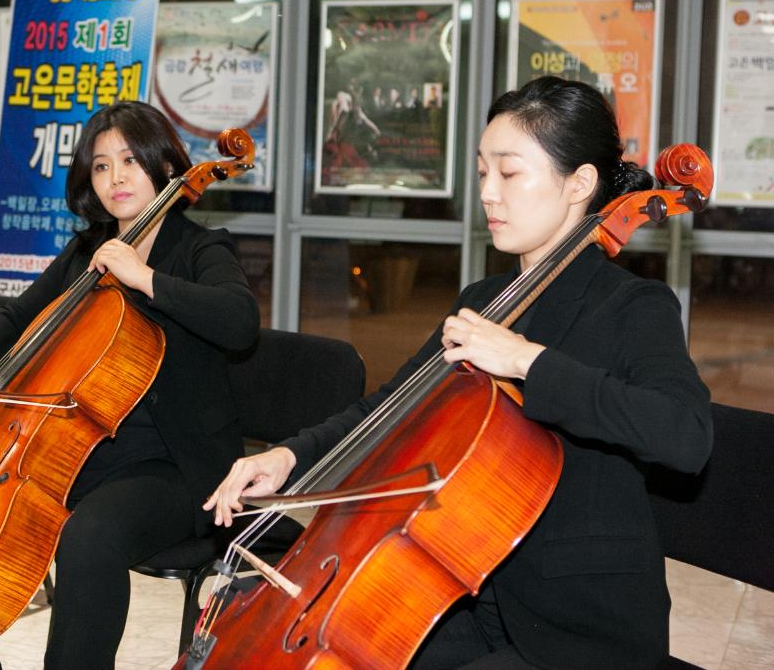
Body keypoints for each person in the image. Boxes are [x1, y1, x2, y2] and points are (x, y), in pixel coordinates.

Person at [206, 76, 713, 669]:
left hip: (578, 622)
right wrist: (289, 458)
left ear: (579, 184)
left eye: (509, 173)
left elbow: (686, 435)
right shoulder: (484, 298)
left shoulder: (633, 307)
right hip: (466, 589)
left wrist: (526, 360)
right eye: (481, 173)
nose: (488, 195)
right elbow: (389, 408)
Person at [0, 102, 259, 669]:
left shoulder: (202, 248)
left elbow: (239, 321)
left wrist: (143, 277)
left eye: (130, 160)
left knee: (88, 535)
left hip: (176, 465)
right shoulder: (87, 251)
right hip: (85, 448)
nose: (116, 178)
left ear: (164, 164)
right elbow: (21, 314)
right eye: (101, 166)